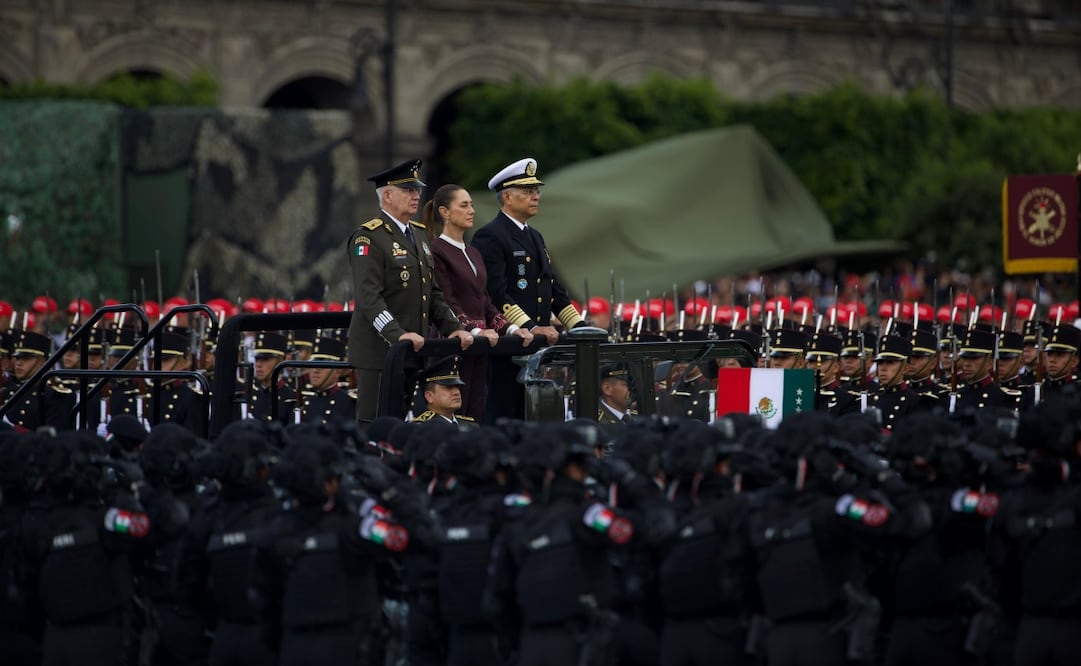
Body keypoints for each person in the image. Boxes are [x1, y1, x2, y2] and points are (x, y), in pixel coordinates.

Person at [347, 159, 473, 422]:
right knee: (375, 423)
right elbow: (369, 297)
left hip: (412, 353)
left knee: (401, 423)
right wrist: (397, 335)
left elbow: (433, 293)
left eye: (417, 190)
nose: (416, 196)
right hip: (379, 353)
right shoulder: (369, 237)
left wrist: (454, 327)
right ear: (388, 196)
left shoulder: (419, 234)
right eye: (408, 191)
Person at [471, 157, 586, 421]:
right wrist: (531, 327)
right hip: (509, 344)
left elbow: (552, 286)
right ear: (508, 198)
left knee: (531, 414)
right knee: (504, 412)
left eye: (536, 191)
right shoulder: (490, 235)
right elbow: (495, 292)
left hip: (535, 346)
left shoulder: (535, 236)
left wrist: (579, 326)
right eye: (528, 192)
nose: (536, 196)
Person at [424, 183, 534, 421]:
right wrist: (473, 330)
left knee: (476, 407)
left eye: (472, 205)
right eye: (464, 205)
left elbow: (484, 300)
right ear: (445, 212)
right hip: (452, 341)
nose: (471, 210)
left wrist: (512, 329)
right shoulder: (437, 250)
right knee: (454, 407)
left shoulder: (473, 251)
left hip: (480, 342)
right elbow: (445, 299)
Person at [4, 329, 74, 431]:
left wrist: (12, 429)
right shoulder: (7, 389)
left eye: (26, 359)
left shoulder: (53, 396)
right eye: (17, 358)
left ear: (43, 362)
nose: (19, 363)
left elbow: (52, 438)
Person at [298, 336, 356, 426]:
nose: (315, 370)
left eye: (322, 365)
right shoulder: (303, 400)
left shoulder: (347, 403)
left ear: (338, 371)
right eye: (312, 365)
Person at [241, 332, 295, 423]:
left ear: (281, 360)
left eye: (265, 359)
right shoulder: (249, 394)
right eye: (257, 359)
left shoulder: (290, 398)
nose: (258, 364)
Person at [412, 355, 477, 428]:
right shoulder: (421, 428)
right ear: (429, 396)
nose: (456, 392)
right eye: (448, 387)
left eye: (457, 387)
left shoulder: (470, 426)